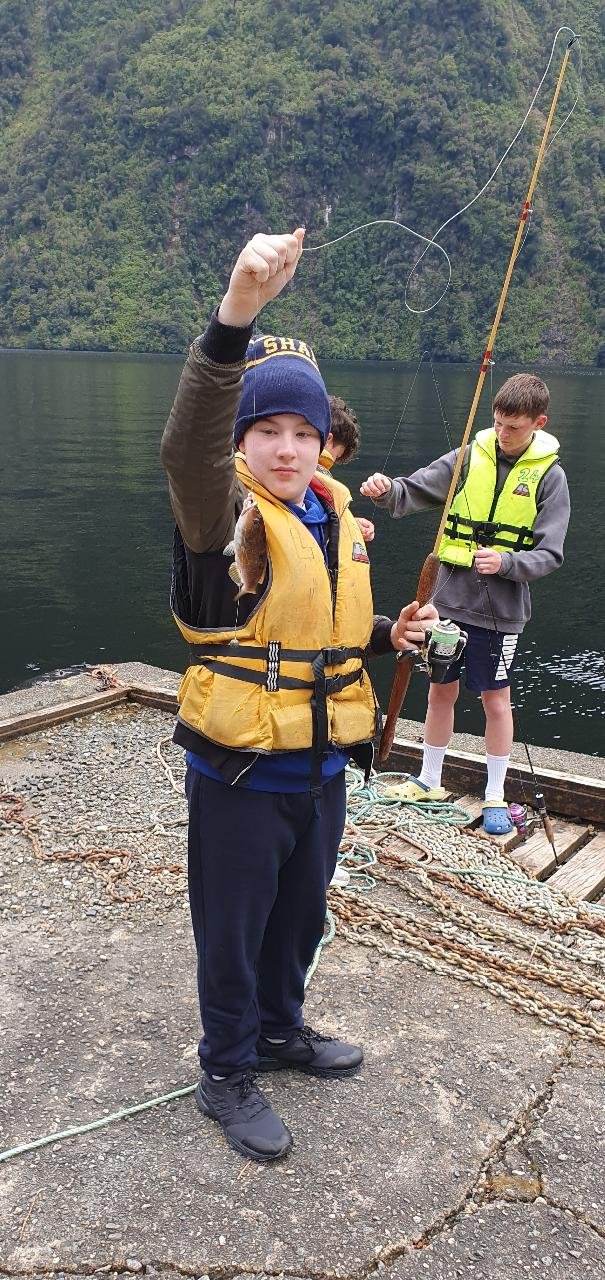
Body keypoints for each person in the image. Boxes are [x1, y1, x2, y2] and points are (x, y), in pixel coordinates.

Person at [161, 227, 438, 1163]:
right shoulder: (219, 514)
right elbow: (186, 449)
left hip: (321, 769)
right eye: (266, 430)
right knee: (232, 931)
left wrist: (385, 635)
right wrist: (237, 312)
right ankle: (225, 1071)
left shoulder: (330, 513)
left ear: (325, 440)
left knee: (300, 916)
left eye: (303, 432)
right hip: (241, 772)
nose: (286, 448)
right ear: (240, 440)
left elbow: (313, 625)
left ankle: (280, 1030)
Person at [360, 373, 570, 835]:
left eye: (514, 427)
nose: (503, 433)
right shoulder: (470, 456)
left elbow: (550, 553)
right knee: (440, 691)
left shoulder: (550, 478)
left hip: (502, 612)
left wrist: (508, 562)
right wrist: (385, 489)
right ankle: (429, 779)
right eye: (498, 423)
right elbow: (414, 489)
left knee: (496, 701)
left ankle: (494, 794)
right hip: (447, 605)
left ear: (538, 423)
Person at [320, 396, 375, 543]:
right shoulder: (314, 475)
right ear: (328, 439)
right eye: (336, 456)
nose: (331, 463)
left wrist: (351, 522)